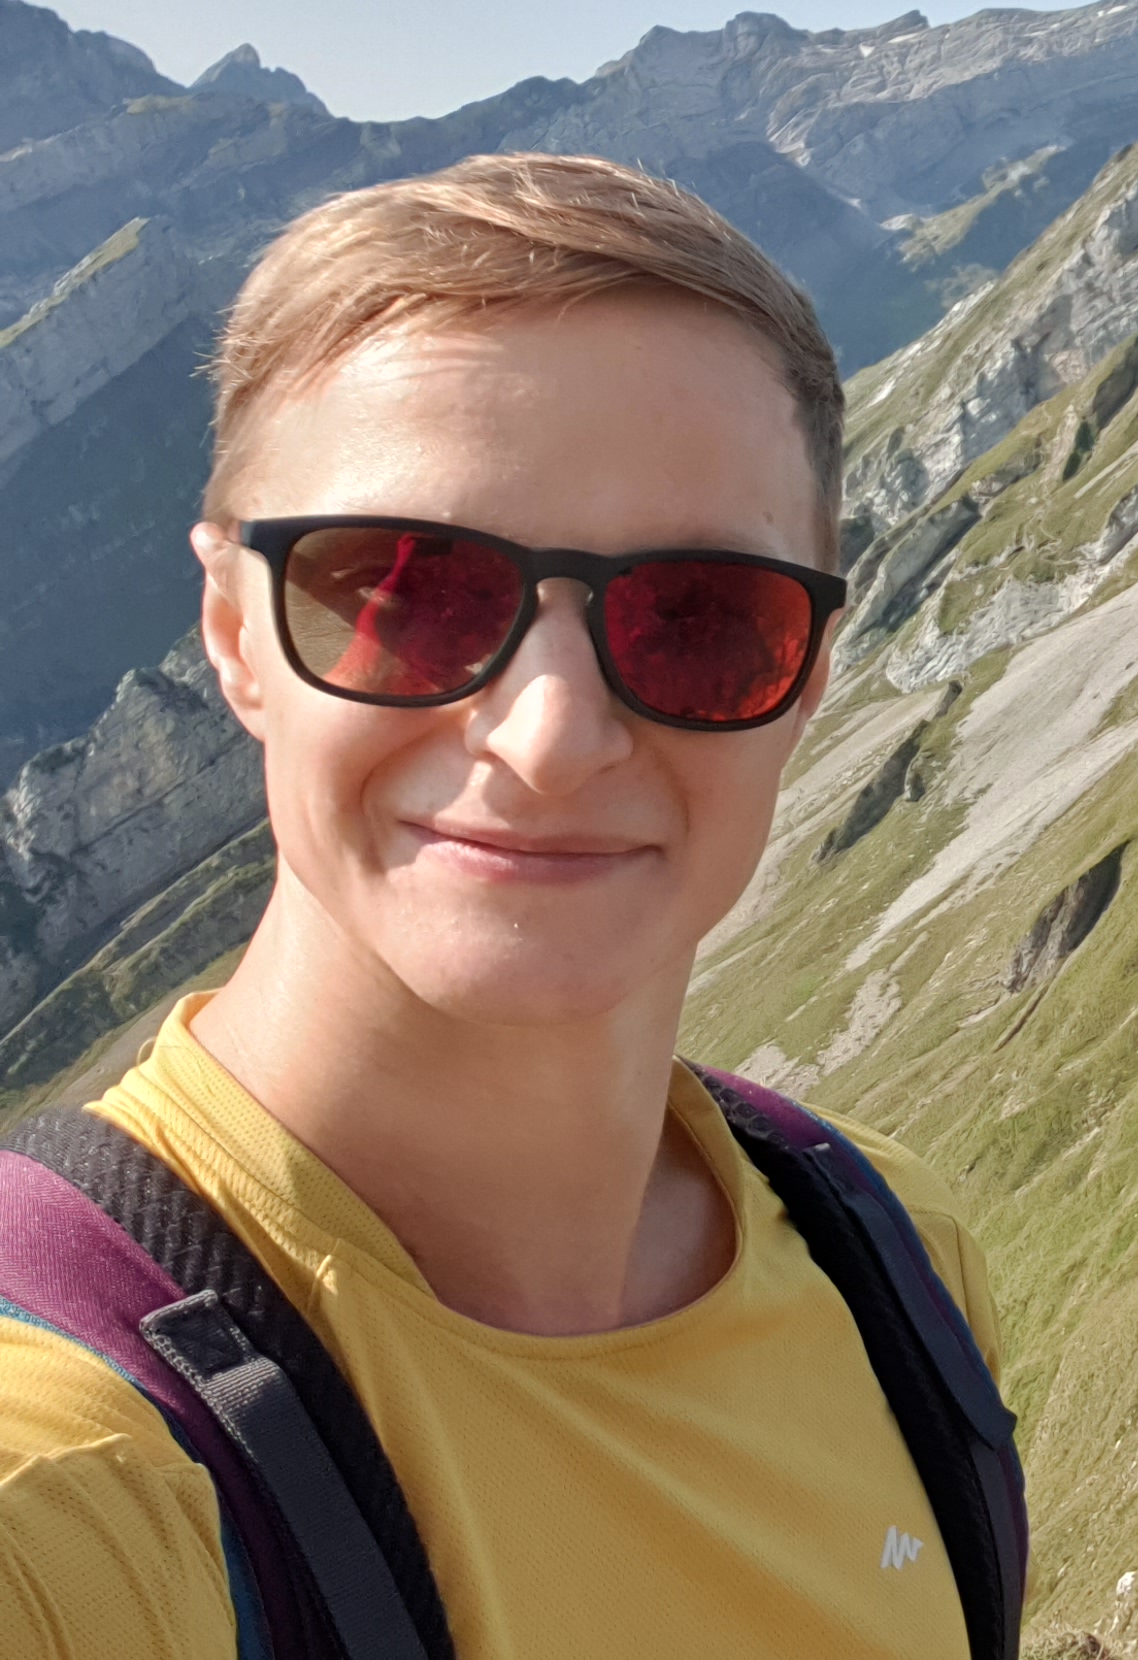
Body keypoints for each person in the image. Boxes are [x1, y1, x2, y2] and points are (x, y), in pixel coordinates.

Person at [0, 156, 1018, 1658]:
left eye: (702, 619)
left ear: (806, 671)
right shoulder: (70, 1491)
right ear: (235, 637)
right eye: (406, 590)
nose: (549, 738)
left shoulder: (899, 1269)